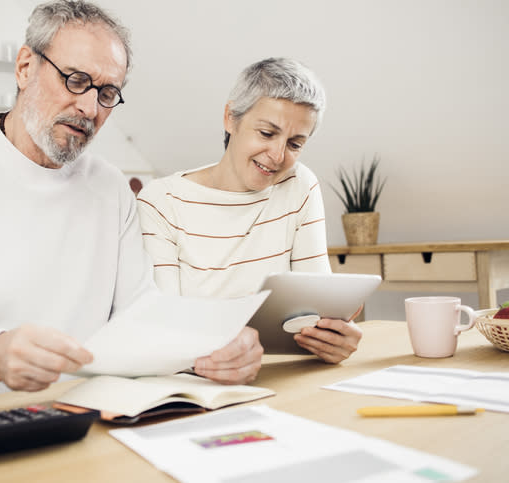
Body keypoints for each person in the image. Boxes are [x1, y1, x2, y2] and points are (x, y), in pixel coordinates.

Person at [0, 0, 260, 419]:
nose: (90, 108)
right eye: (76, 80)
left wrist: (207, 351)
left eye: (108, 93)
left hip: (65, 428)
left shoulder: (111, 189)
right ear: (25, 67)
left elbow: (140, 325)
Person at [137, 58, 362, 364]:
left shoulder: (299, 185)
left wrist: (333, 339)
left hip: (282, 376)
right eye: (267, 134)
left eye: (295, 144)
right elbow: (165, 327)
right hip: (201, 382)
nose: (278, 155)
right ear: (231, 118)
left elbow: (315, 310)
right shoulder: (161, 201)